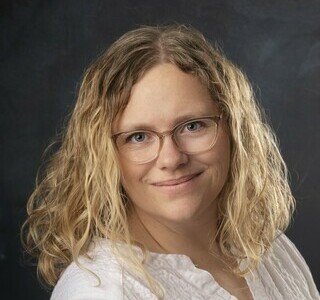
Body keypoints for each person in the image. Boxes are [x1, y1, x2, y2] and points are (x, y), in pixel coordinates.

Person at [22, 24, 319, 300]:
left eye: (193, 126)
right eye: (139, 137)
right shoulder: (105, 291)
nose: (171, 158)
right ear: (102, 154)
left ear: (235, 129)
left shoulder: (268, 248)